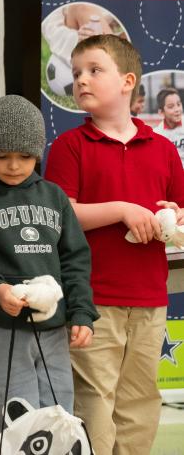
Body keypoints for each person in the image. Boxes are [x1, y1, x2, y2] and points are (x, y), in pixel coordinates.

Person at [44, 34, 184, 455]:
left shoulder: (163, 150)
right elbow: (61, 215)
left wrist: (173, 217)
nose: (80, 80)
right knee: (94, 402)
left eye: (93, 70)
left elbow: (180, 211)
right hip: (92, 300)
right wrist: (122, 209)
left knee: (140, 400)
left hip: (148, 298)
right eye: (77, 72)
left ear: (127, 82)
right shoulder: (70, 146)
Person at [0, 95, 97, 440]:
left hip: (54, 331)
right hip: (2, 328)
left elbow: (74, 259)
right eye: (2, 156)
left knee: (60, 414)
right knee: (15, 416)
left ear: (38, 153)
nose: (14, 166)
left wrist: (82, 314)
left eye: (25, 156)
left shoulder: (55, 197)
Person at [152, 86, 184, 164]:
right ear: (161, 112)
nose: (177, 110)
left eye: (178, 104)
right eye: (171, 107)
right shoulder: (157, 134)